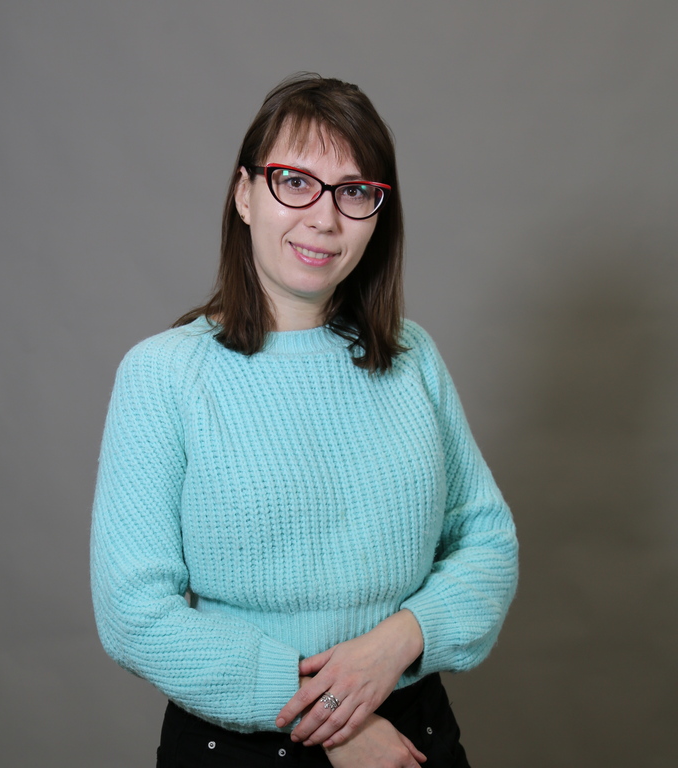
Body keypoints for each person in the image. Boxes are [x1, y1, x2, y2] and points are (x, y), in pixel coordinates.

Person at [91, 73, 518, 768]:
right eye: (295, 182)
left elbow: (487, 539)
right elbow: (134, 614)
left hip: (412, 735)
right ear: (244, 194)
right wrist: (333, 718)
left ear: (378, 212)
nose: (324, 218)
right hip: (241, 745)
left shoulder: (412, 356)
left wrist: (401, 639)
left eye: (354, 192)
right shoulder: (163, 374)